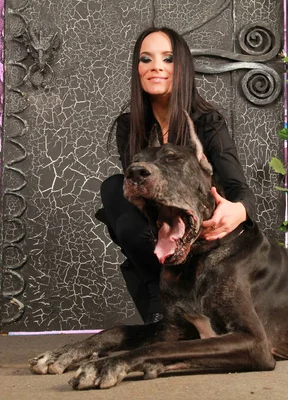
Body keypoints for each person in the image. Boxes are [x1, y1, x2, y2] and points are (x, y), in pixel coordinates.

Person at [97, 27, 257, 324]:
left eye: (167, 59)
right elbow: (139, 193)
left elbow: (239, 188)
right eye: (146, 59)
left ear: (181, 67)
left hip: (202, 234)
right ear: (138, 69)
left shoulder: (207, 122)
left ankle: (177, 297)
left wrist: (238, 210)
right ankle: (158, 294)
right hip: (158, 225)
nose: (156, 66)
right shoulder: (128, 126)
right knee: (113, 190)